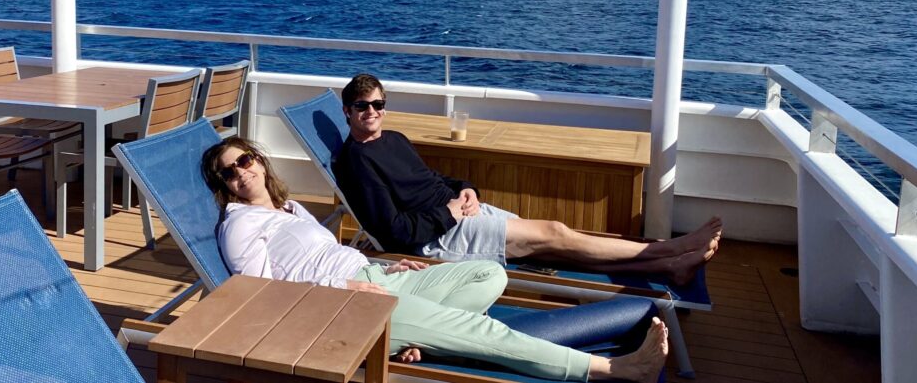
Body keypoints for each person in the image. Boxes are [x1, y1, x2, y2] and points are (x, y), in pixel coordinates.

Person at [203, 135, 669, 383]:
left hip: (372, 277)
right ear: (223, 186)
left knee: (488, 272)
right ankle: (617, 369)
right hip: (342, 309)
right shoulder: (241, 224)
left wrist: (384, 267)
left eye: (245, 161)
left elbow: (330, 254)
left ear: (259, 160)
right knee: (484, 331)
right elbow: (261, 296)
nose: (241, 173)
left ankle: (426, 338)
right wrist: (344, 292)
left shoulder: (288, 207)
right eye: (229, 172)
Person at [334, 73, 722, 284]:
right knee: (556, 232)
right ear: (348, 111)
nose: (372, 111)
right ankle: (669, 250)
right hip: (439, 238)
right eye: (362, 106)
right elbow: (397, 231)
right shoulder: (357, 162)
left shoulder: (396, 139)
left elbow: (437, 178)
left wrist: (466, 190)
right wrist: (451, 213)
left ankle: (668, 268)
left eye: (379, 104)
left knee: (549, 246)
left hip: (460, 213)